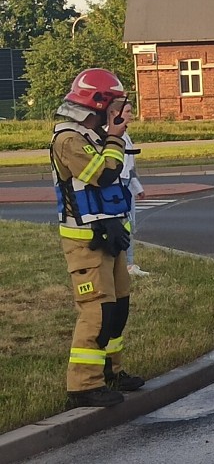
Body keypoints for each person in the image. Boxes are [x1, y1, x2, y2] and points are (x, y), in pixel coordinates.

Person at [50, 68, 146, 408]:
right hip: (85, 241)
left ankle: (110, 373)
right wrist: (116, 137)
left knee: (118, 308)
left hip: (108, 236)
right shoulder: (69, 140)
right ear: (100, 103)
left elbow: (116, 180)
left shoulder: (92, 134)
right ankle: (83, 386)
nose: (122, 111)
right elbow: (103, 175)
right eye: (117, 104)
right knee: (98, 311)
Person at [114, 101, 150, 277]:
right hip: (119, 185)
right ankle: (126, 265)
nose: (131, 114)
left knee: (130, 224)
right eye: (127, 111)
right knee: (124, 226)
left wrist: (137, 187)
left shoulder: (124, 134)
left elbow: (130, 164)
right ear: (116, 113)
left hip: (127, 184)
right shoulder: (112, 135)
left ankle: (128, 263)